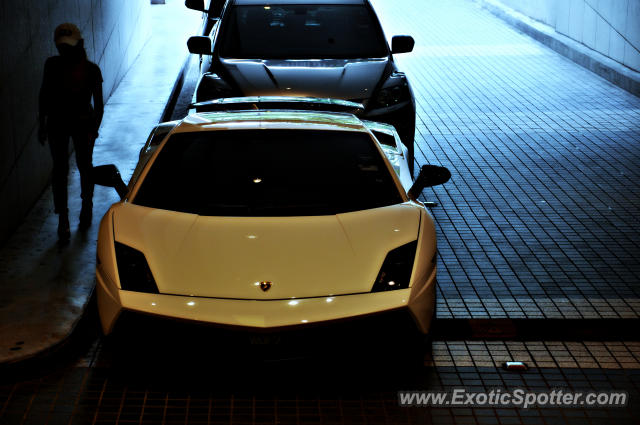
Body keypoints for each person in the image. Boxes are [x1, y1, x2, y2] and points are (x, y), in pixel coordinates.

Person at [38, 23, 104, 243]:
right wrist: (42, 123)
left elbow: (99, 104)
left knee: (84, 166)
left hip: (81, 123)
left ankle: (85, 206)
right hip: (59, 123)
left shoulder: (91, 70)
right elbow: (44, 95)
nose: (63, 51)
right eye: (61, 47)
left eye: (67, 47)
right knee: (62, 170)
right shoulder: (53, 65)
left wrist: (94, 129)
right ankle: (64, 216)